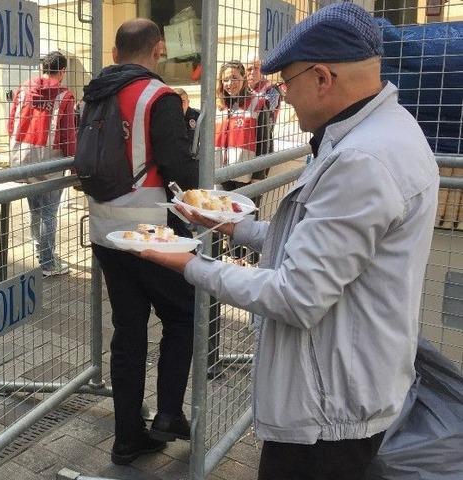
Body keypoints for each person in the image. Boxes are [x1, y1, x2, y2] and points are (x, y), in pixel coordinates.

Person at [141, 4, 440, 479]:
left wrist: (185, 263)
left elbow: (296, 296)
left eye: (287, 82)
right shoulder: (385, 130)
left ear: (322, 77)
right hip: (349, 383)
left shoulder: (361, 161)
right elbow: (315, 246)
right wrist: (231, 227)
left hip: (328, 411)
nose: (285, 96)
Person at [83, 18, 197, 465]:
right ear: (159, 50)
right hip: (154, 232)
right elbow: (180, 172)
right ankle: (168, 412)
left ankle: (126, 436)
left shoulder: (94, 94)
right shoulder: (158, 96)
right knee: (182, 316)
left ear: (114, 54)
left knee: (128, 332)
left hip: (106, 232)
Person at [7, 51, 77, 276]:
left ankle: (40, 251)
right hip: (50, 161)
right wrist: (75, 165)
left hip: (24, 158)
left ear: (43, 68)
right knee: (49, 212)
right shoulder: (64, 96)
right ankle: (47, 262)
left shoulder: (24, 88)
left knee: (35, 209)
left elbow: (11, 125)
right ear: (63, 71)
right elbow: (68, 135)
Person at [214, 59, 271, 191]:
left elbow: (265, 142)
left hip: (246, 176)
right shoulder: (218, 106)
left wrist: (259, 175)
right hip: (220, 175)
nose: (230, 83)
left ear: (243, 79)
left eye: (235, 78)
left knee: (247, 212)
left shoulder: (258, 103)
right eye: (225, 79)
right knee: (222, 211)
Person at [246, 57, 282, 162]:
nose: (252, 72)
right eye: (249, 69)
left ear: (262, 71)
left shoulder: (271, 90)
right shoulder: (242, 89)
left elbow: (265, 109)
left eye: (256, 68)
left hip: (262, 140)